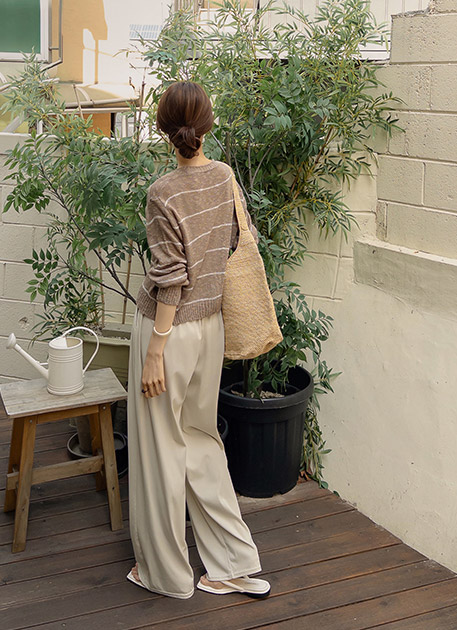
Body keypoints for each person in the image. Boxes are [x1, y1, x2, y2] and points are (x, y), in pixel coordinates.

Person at [126, 81, 271, 600]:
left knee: (160, 451)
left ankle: (166, 574)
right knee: (203, 441)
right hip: (211, 327)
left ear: (163, 130)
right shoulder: (225, 176)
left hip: (168, 332)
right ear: (207, 124)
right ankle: (233, 565)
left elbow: (170, 278)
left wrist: (156, 350)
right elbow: (231, 244)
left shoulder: (162, 192)